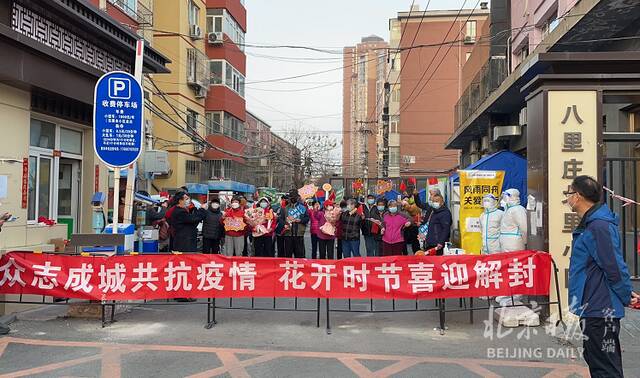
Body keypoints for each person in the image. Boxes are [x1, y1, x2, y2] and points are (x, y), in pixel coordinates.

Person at [566, 175, 639, 377]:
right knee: (597, 360)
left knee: (605, 366)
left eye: (569, 193)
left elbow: (613, 266)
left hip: (600, 309)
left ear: (578, 196)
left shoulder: (598, 226)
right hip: (593, 306)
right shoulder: (593, 223)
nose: (568, 198)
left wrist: (625, 295)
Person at [279, 189, 309, 258]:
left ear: (297, 197)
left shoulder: (302, 208)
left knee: (300, 256)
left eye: (294, 197)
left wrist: (300, 220)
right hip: (288, 235)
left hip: (299, 235)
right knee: (288, 256)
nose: (292, 198)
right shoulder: (285, 208)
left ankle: (299, 268)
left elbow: (307, 218)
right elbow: (280, 219)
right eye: (291, 197)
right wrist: (284, 224)